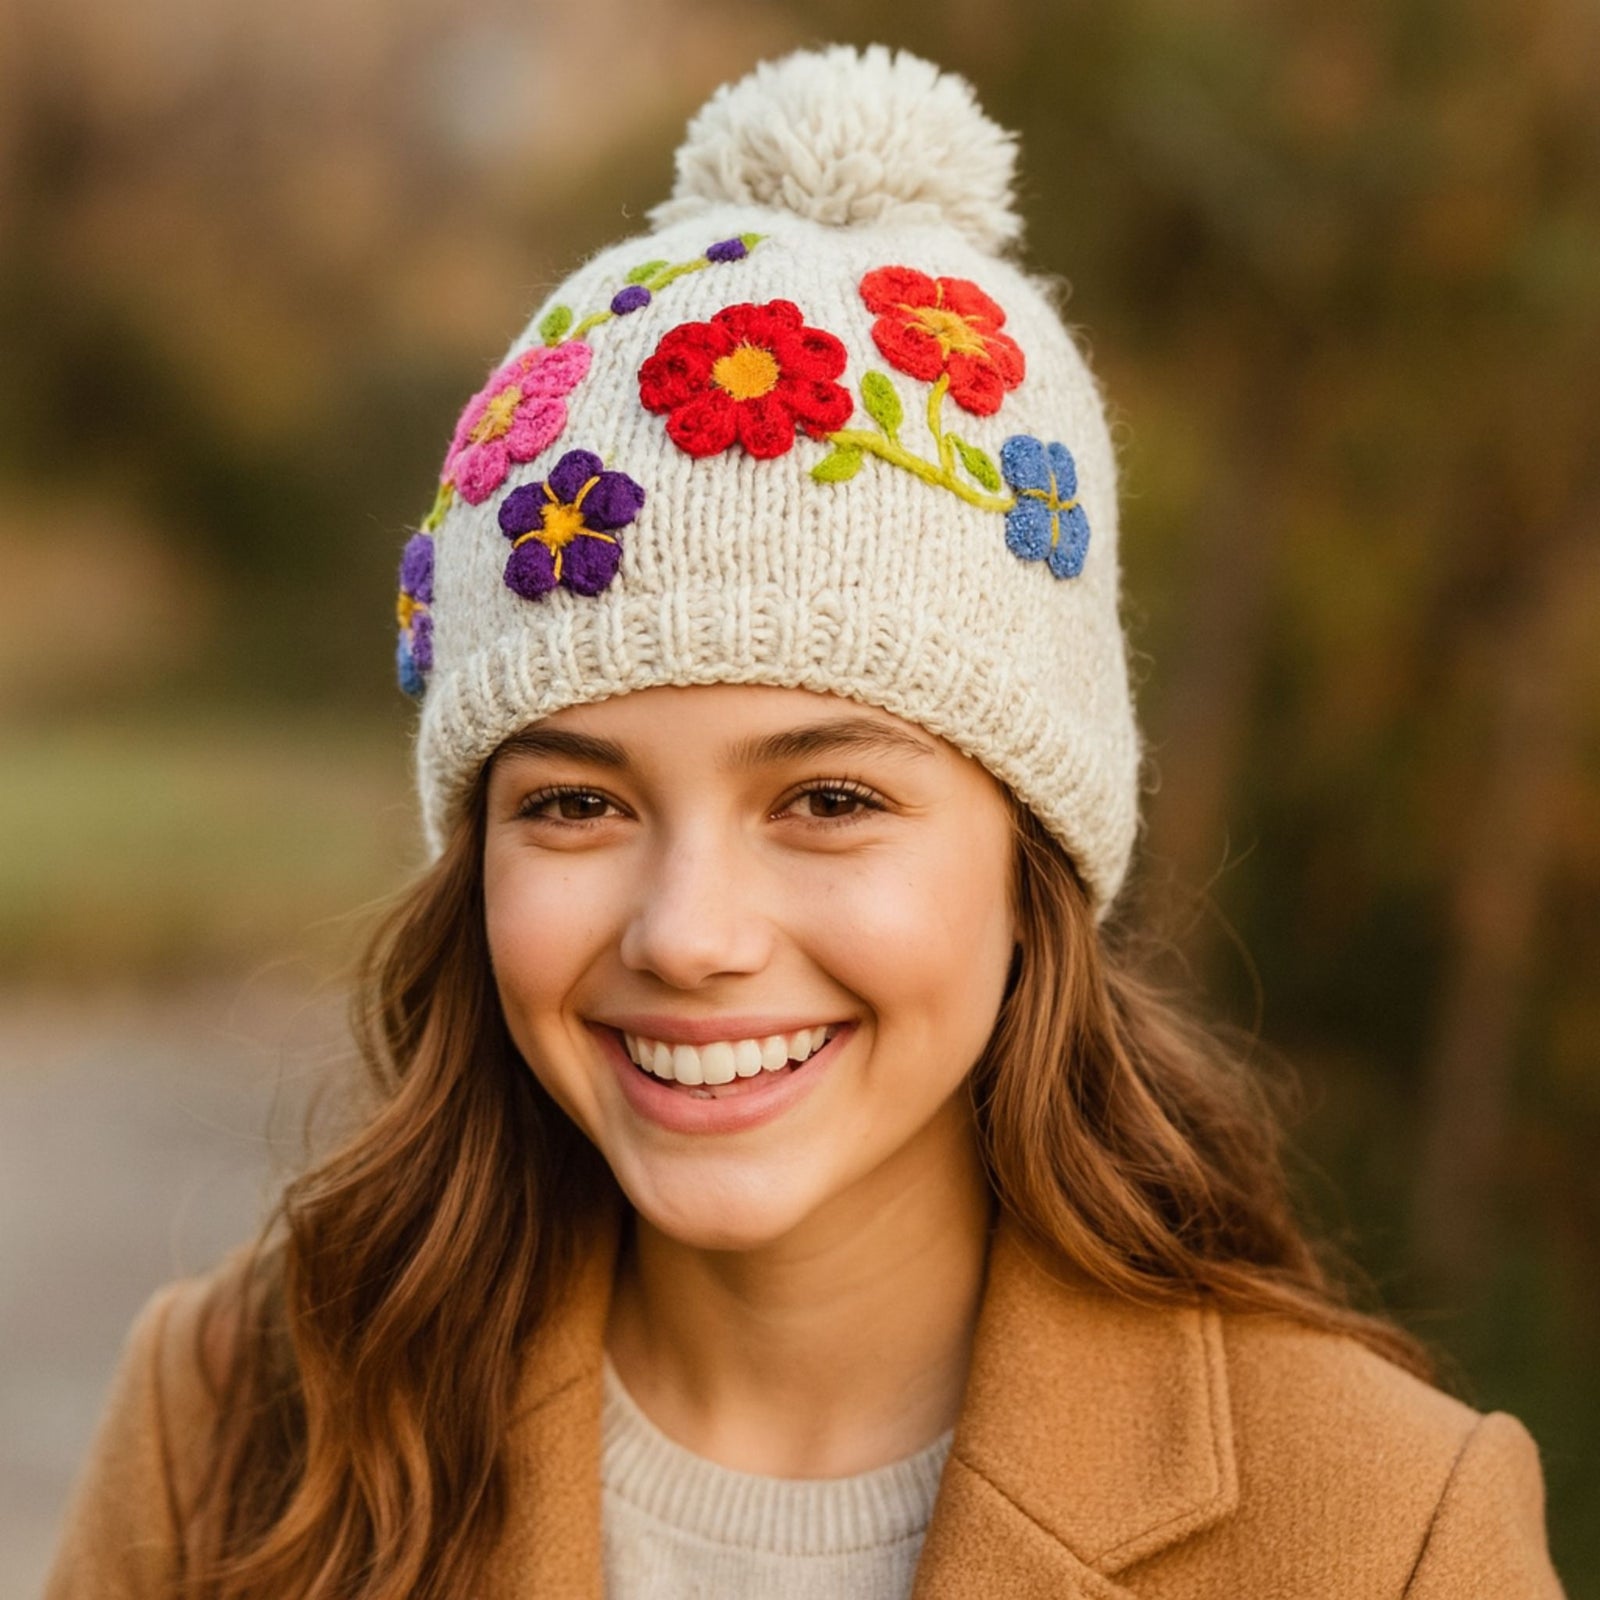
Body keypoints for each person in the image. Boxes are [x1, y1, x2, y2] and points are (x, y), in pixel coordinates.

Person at [43, 43, 1565, 1600]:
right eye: (575, 802)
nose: (691, 934)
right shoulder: (229, 1421)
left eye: (829, 799)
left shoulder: (1387, 1527)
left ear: (1029, 857)